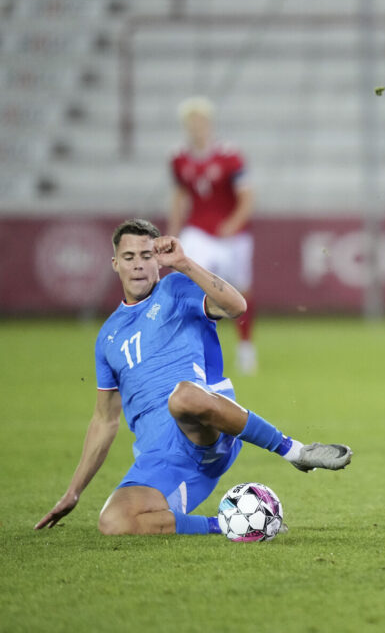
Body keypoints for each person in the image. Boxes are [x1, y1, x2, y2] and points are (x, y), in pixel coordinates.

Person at [35, 219, 352, 536]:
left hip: (203, 429)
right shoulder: (107, 338)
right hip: (160, 459)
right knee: (114, 521)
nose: (138, 266)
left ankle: (295, 452)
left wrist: (184, 264)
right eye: (129, 257)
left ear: (158, 259)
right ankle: (231, 525)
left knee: (182, 396)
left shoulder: (175, 289)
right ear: (115, 264)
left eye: (146, 256)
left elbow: (236, 306)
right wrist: (73, 492)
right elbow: (104, 420)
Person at [168, 96, 258, 375]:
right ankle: (190, 349)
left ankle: (245, 346)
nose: (197, 127)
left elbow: (247, 195)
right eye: (191, 122)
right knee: (192, 284)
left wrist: (234, 222)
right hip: (198, 232)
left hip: (232, 236)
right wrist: (173, 230)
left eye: (201, 121)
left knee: (240, 291)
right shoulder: (179, 158)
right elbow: (180, 196)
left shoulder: (229, 155)